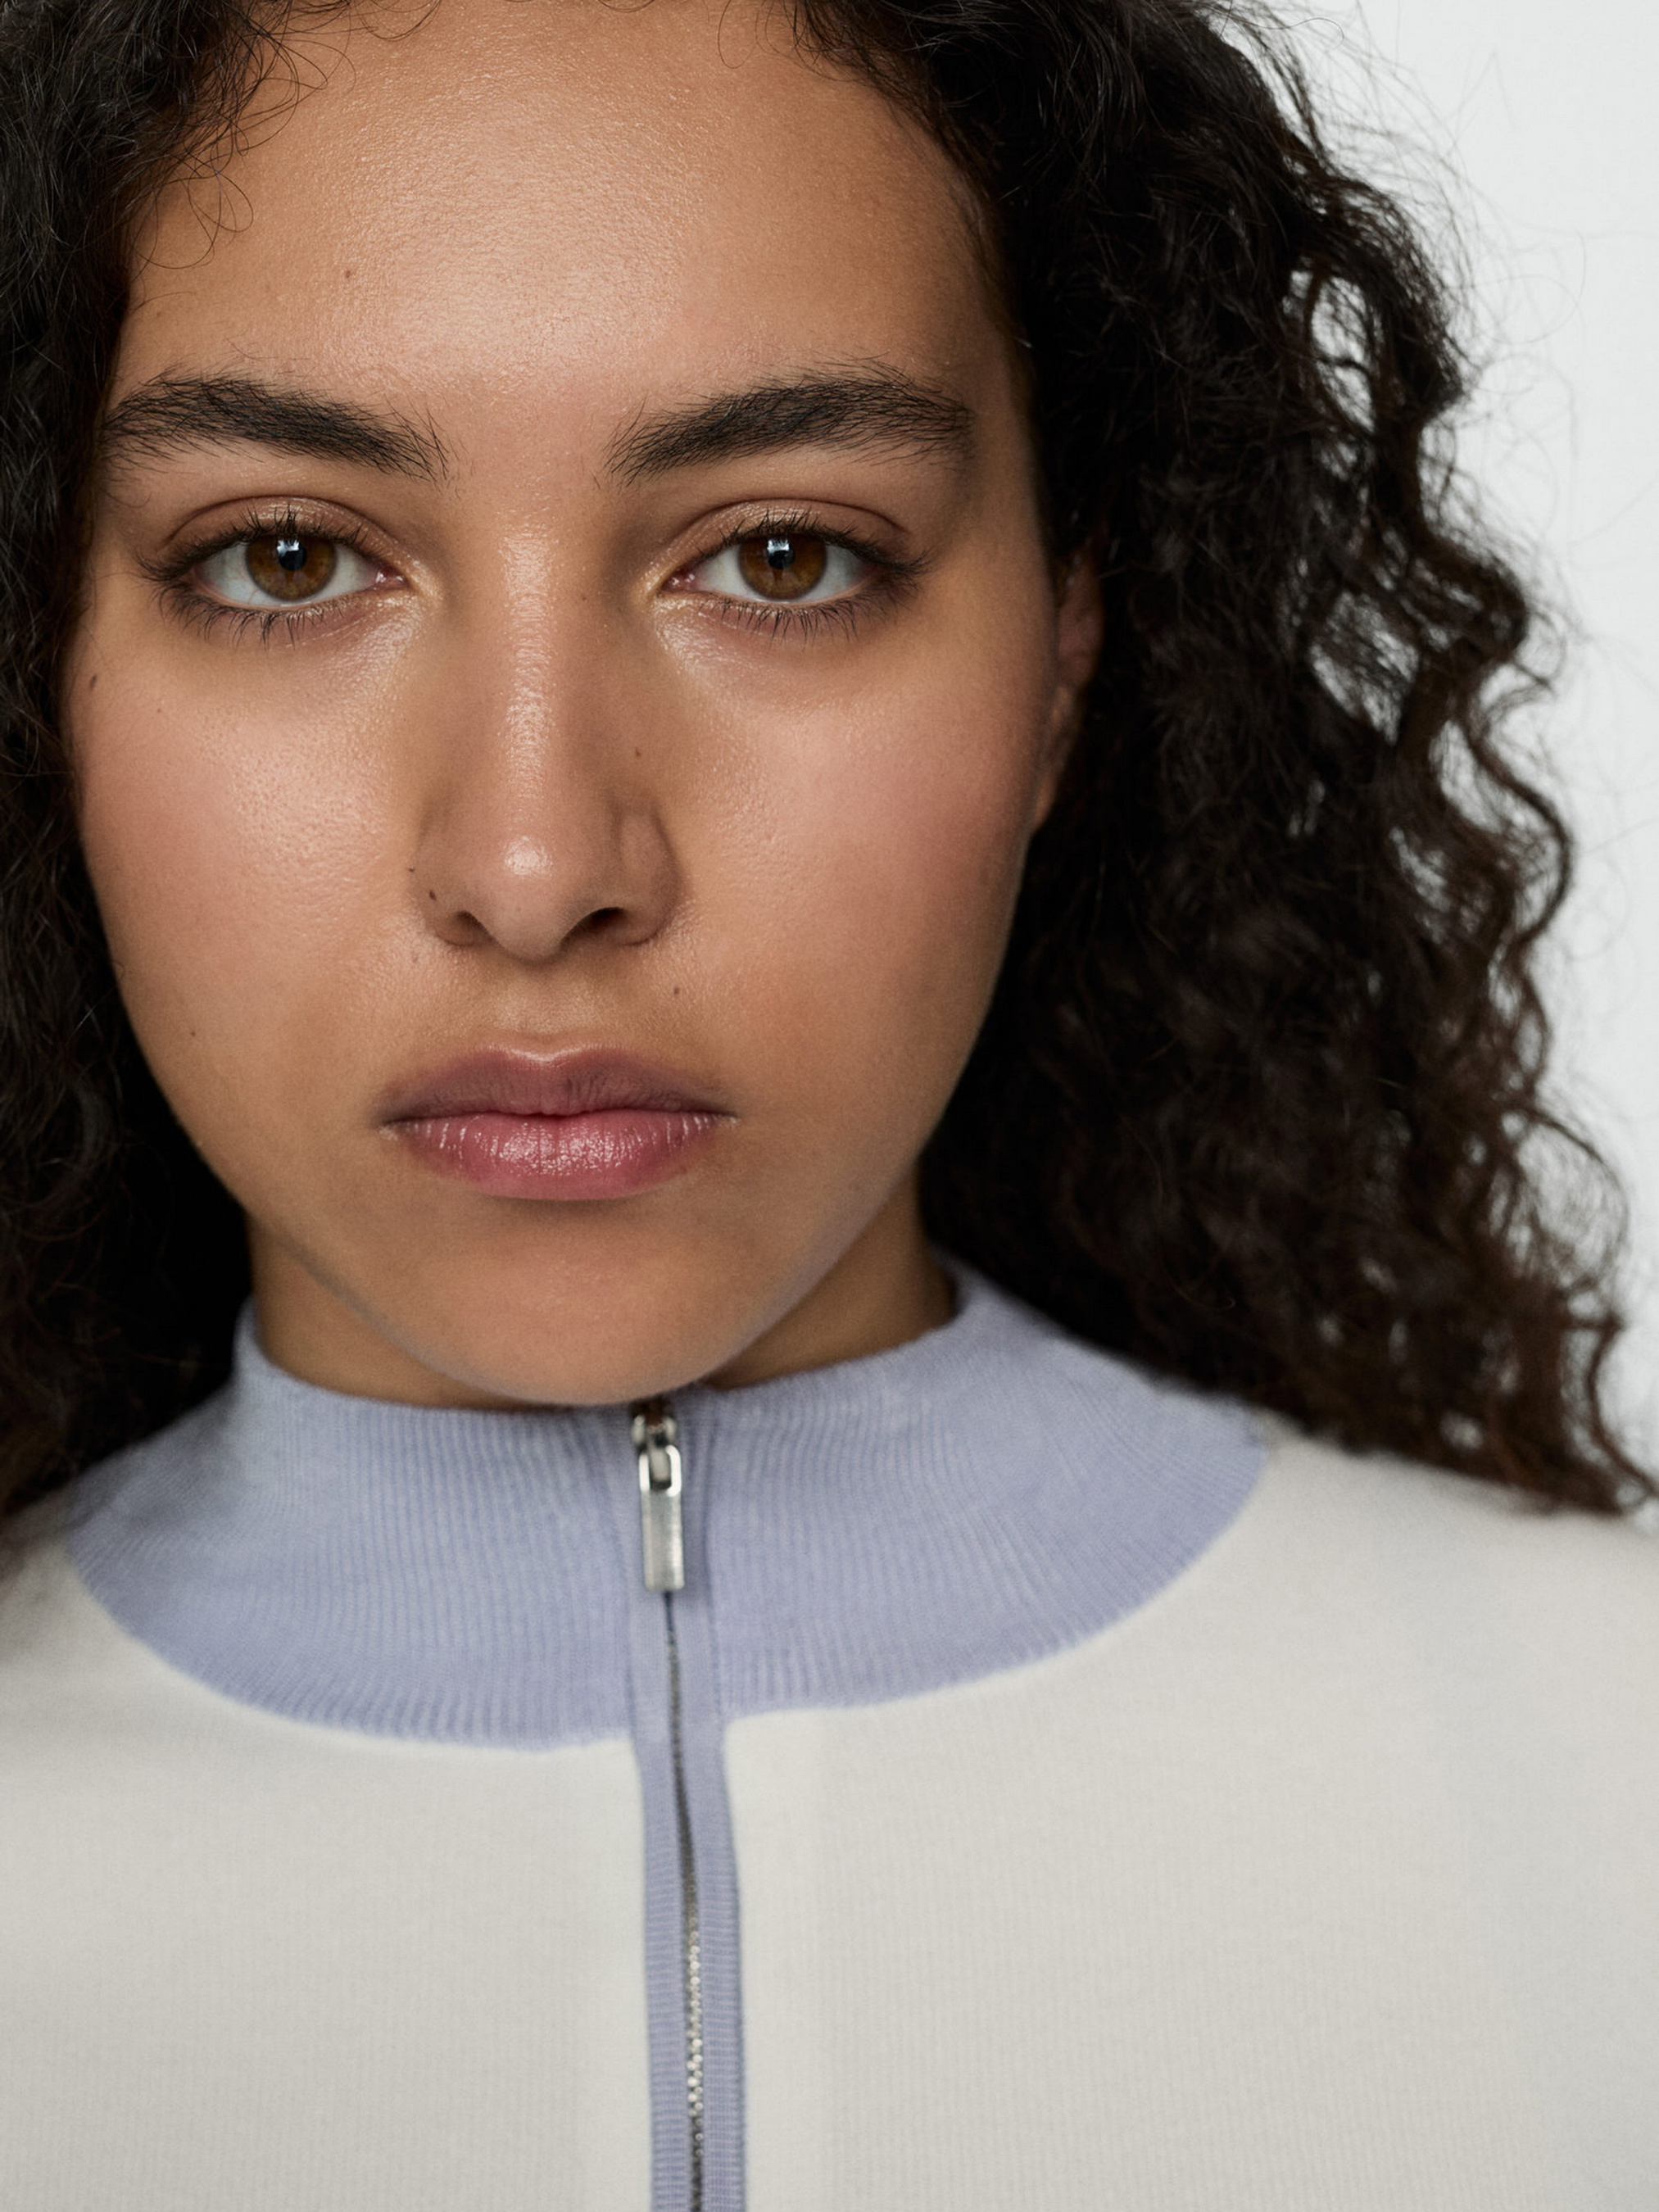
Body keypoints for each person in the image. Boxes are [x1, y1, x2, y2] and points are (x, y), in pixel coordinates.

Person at [0, 0, 1654, 2204]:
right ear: (43, 668)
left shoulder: (1616, 1774)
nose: (539, 864)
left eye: (782, 558)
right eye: (287, 557)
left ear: (1065, 656)